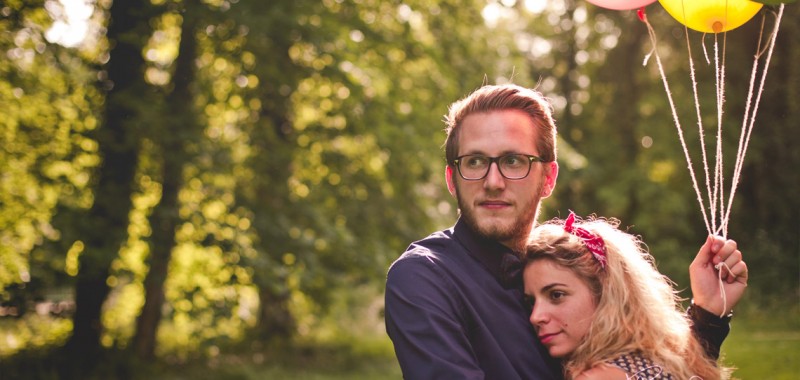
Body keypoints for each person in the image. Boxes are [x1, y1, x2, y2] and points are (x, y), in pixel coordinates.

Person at [384, 84, 743, 379]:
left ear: (549, 178)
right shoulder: (423, 276)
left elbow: (652, 367)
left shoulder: (562, 266)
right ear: (452, 178)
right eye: (475, 161)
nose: (493, 182)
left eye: (513, 161)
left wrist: (707, 315)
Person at [523, 213, 748, 379]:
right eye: (531, 302)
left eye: (556, 295)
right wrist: (708, 312)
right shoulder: (658, 360)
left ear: (606, 293)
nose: (536, 316)